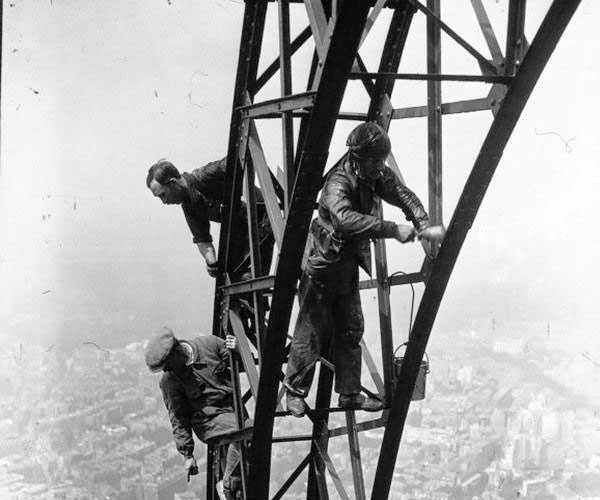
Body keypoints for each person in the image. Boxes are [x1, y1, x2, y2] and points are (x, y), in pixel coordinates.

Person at [284, 122, 430, 417]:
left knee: (351, 328)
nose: (381, 167)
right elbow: (344, 220)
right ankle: (294, 393)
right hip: (322, 266)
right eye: (376, 161)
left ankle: (349, 394)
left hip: (346, 264)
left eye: (382, 161)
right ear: (360, 158)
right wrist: (392, 229)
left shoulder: (372, 172)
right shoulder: (338, 182)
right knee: (311, 331)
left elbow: (401, 193)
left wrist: (421, 220)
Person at [145, 327, 244, 500]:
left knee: (245, 454)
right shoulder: (170, 381)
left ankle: (232, 488)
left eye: (167, 365)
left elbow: (240, 366)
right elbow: (178, 417)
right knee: (248, 433)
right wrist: (187, 455)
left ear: (177, 350)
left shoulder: (210, 345)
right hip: (208, 422)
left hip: (233, 411)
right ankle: (227, 486)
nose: (167, 370)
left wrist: (237, 350)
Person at [146, 157, 273, 281]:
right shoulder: (190, 206)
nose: (164, 201)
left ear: (173, 182)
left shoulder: (204, 176)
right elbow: (202, 240)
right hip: (241, 230)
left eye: (163, 195)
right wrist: (211, 263)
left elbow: (239, 157)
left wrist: (247, 189)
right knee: (236, 280)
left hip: (263, 216)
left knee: (249, 278)